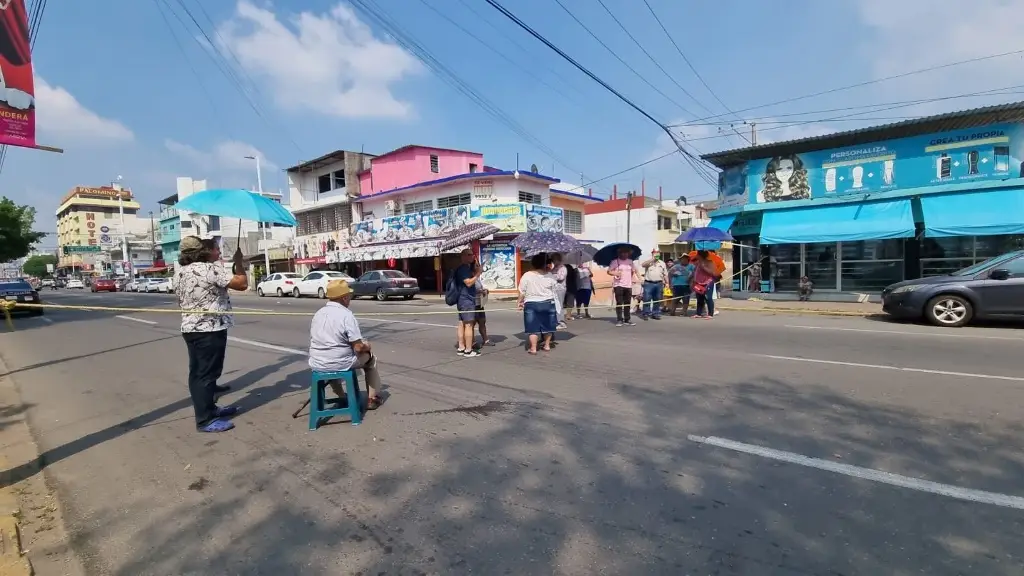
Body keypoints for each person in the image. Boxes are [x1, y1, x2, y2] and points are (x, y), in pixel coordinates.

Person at [176, 236, 248, 433]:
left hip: (191, 328)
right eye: (213, 248)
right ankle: (204, 419)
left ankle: (210, 409)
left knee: (199, 374)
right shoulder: (208, 269)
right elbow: (241, 284)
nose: (216, 251)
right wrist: (239, 263)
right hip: (209, 329)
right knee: (207, 375)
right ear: (203, 251)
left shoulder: (180, 272)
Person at [309, 279, 383, 411]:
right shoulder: (346, 315)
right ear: (344, 298)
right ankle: (372, 399)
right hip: (339, 362)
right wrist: (367, 346)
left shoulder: (318, 314)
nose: (350, 299)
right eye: (349, 296)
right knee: (370, 359)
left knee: (332, 360)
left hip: (317, 362)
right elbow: (358, 347)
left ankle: (342, 395)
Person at [518, 253, 558, 354]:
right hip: (548, 303)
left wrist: (519, 302)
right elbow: (555, 289)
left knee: (532, 327)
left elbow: (522, 291)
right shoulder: (550, 275)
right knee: (548, 326)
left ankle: (533, 348)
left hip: (531, 304)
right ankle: (547, 345)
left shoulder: (527, 275)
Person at [453, 248, 482, 358]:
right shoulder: (463, 269)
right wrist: (478, 274)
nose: (472, 257)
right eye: (469, 254)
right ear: (463, 256)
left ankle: (461, 347)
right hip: (466, 300)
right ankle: (468, 350)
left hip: (463, 299)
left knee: (462, 323)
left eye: (472, 254)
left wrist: (475, 270)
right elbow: (468, 283)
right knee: (469, 324)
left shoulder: (466, 268)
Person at [608, 246, 639, 327]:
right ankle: (619, 319)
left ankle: (627, 319)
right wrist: (616, 273)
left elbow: (634, 271)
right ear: (620, 253)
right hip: (618, 285)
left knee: (627, 303)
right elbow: (609, 271)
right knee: (619, 303)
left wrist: (635, 278)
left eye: (627, 253)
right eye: (623, 253)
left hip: (628, 285)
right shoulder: (615, 261)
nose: (625, 254)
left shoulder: (630, 261)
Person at [640, 249, 669, 320]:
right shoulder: (649, 262)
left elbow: (665, 274)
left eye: (658, 253)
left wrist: (667, 283)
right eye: (655, 253)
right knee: (647, 299)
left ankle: (655, 313)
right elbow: (643, 265)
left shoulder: (662, 263)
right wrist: (652, 260)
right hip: (648, 283)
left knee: (657, 299)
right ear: (652, 254)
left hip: (659, 283)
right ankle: (646, 313)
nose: (657, 254)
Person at [690, 251, 718, 319]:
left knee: (708, 298)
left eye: (698, 255)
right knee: (699, 298)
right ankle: (698, 313)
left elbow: (713, 273)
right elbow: (695, 273)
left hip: (708, 282)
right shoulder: (697, 263)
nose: (696, 256)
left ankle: (710, 314)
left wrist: (704, 267)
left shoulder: (710, 262)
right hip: (699, 283)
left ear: (701, 255)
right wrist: (693, 282)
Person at [474, 269, 494, 347]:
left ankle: (486, 340)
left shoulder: (478, 278)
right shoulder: (471, 278)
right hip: (473, 304)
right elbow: (470, 289)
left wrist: (485, 290)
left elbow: (480, 288)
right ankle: (472, 342)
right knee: (472, 324)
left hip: (480, 303)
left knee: (482, 321)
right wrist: (481, 291)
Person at [550, 253, 568, 330]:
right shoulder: (554, 268)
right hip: (553, 289)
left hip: (560, 289)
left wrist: (552, 276)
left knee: (559, 305)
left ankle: (561, 322)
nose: (553, 261)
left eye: (554, 260)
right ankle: (555, 321)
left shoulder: (562, 268)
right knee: (555, 306)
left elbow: (561, 278)